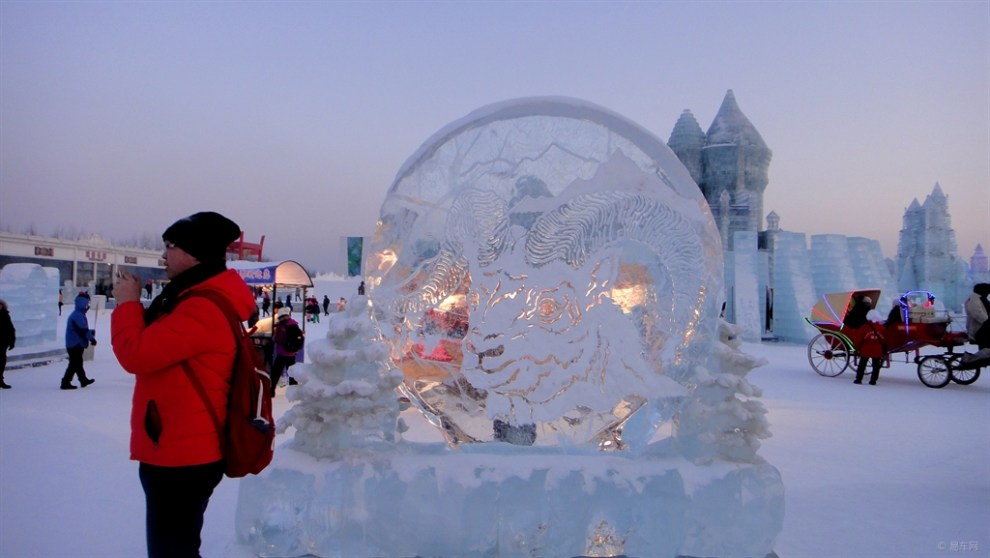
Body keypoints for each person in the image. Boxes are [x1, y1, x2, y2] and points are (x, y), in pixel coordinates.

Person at [110, 211, 255, 558]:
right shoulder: (191, 298)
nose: (163, 255)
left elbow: (137, 354)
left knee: (172, 550)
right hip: (181, 447)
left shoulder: (200, 308)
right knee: (177, 545)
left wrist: (128, 304)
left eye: (170, 246)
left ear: (194, 252)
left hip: (182, 455)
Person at [61, 292, 97, 390]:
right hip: (75, 344)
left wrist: (90, 333)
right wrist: (92, 338)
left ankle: (83, 379)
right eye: (87, 303)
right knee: (74, 363)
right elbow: (83, 330)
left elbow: (81, 330)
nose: (88, 306)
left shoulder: (77, 314)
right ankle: (66, 382)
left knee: (77, 363)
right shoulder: (78, 315)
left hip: (74, 342)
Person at [271, 309, 301, 395]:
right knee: (291, 371)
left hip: (282, 352)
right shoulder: (294, 324)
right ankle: (294, 391)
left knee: (276, 372)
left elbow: (278, 339)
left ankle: (271, 390)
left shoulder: (281, 326)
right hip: (292, 353)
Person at [965, 283, 990, 350]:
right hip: (980, 329)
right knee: (985, 349)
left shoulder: (981, 298)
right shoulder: (974, 299)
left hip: (984, 328)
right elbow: (976, 313)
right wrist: (987, 321)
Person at [0, 298, 15, 389]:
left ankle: (0, 380)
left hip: (2, 343)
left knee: (1, 362)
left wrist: (12, 342)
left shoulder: (5, 315)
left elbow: (10, 329)